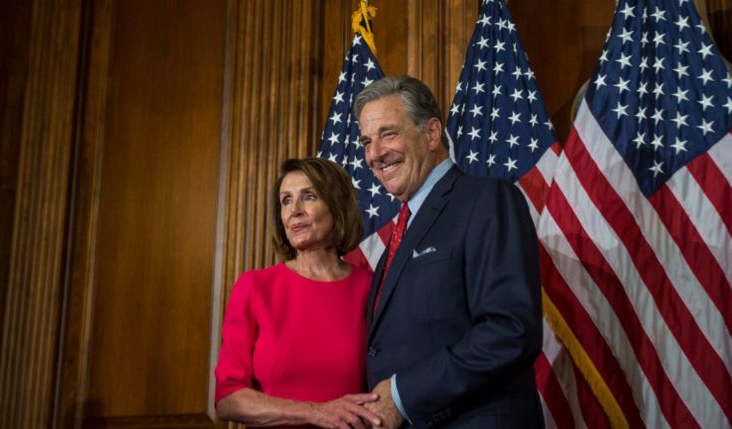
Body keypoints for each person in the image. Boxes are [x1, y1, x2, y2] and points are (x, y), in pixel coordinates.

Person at [355, 75, 543, 428]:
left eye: (388, 134)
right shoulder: (400, 234)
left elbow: (510, 329)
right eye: (366, 141)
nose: (375, 154)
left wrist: (401, 395)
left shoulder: (486, 200)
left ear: (431, 133)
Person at [214, 157, 382, 429]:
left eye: (309, 196)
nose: (295, 210)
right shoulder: (255, 287)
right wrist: (316, 412)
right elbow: (228, 398)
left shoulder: (371, 288)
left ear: (337, 206)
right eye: (286, 201)